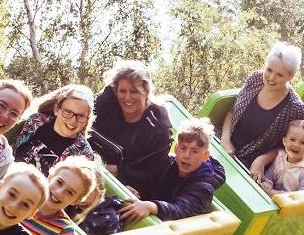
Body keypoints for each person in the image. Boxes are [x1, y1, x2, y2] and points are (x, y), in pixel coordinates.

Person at [89, 61, 176, 192]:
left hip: (126, 188)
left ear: (146, 92)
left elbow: (154, 175)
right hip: (87, 166)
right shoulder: (105, 104)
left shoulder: (158, 127)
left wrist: (118, 171)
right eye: (122, 91)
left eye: (134, 91)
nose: (127, 98)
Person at [118, 119, 225, 224]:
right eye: (183, 148)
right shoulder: (167, 164)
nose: (187, 156)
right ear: (176, 149)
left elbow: (183, 210)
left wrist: (153, 206)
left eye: (195, 151)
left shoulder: (205, 186)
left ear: (205, 156)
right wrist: (137, 192)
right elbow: (149, 182)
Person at [220, 43, 304, 165]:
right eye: (269, 70)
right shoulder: (255, 78)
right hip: (221, 141)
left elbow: (286, 145)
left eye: (279, 75)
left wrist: (261, 161)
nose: (271, 78)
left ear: (291, 76)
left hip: (247, 163)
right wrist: (225, 139)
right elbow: (233, 109)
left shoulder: (296, 108)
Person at [22, 156, 101, 235]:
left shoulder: (64, 230)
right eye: (59, 182)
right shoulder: (22, 194)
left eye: (69, 192)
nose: (59, 192)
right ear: (50, 177)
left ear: (76, 201)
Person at [14, 84, 99, 172]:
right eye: (68, 111)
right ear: (57, 110)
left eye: (81, 116)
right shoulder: (37, 121)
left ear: (87, 120)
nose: (73, 120)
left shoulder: (84, 154)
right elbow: (17, 150)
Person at [249, 119, 304, 195]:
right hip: (270, 197)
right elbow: (270, 176)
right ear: (284, 141)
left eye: (303, 143)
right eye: (292, 139)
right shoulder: (280, 156)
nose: (296, 145)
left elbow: (303, 197)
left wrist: (279, 194)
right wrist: (268, 184)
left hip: (289, 203)